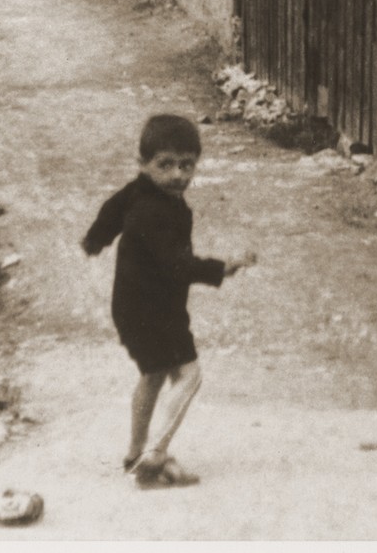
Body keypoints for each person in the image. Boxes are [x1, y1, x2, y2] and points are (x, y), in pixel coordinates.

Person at [82, 113, 257, 488]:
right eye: (165, 164)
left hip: (135, 306)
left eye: (186, 165)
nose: (178, 175)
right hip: (155, 309)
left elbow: (113, 209)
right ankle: (155, 454)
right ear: (142, 164)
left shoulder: (140, 192)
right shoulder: (156, 211)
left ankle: (135, 452)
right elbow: (177, 266)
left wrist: (96, 239)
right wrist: (221, 267)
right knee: (190, 375)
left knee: (154, 374)